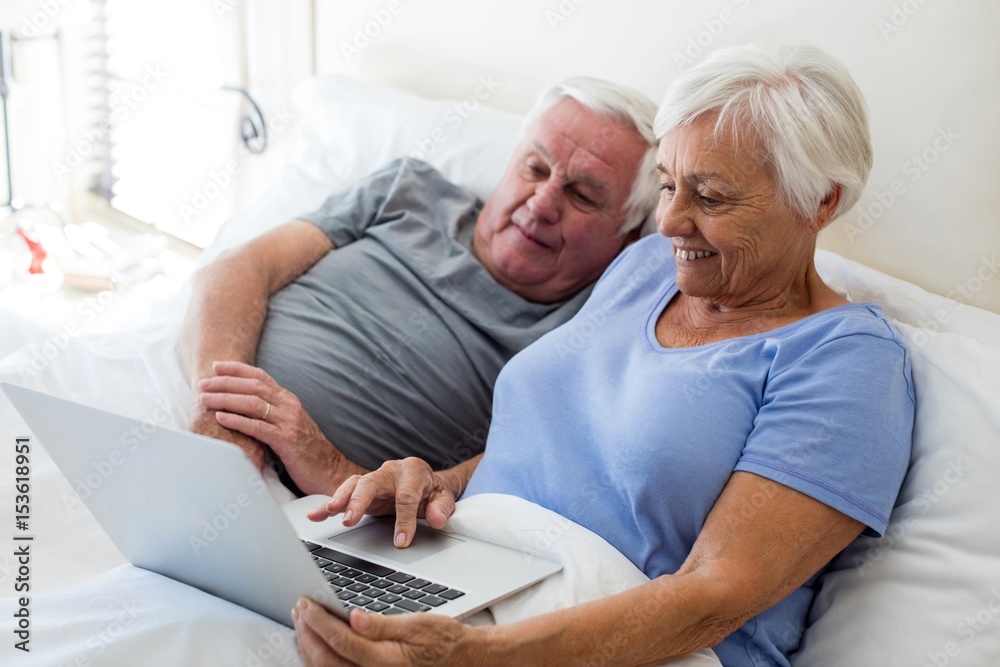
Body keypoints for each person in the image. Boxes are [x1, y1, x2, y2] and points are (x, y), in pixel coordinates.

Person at [290, 43, 915, 667]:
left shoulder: (847, 361)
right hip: (473, 580)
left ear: (820, 202)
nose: (671, 221)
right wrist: (434, 484)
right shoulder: (646, 267)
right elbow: (551, 445)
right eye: (669, 186)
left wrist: (477, 657)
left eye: (713, 198)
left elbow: (717, 596)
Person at [179, 77, 659, 495]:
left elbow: (520, 466)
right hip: (198, 413)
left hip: (325, 511)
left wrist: (329, 469)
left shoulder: (592, 330)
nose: (542, 203)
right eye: (534, 169)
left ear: (629, 236)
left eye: (582, 195)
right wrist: (221, 409)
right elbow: (239, 268)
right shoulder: (408, 189)